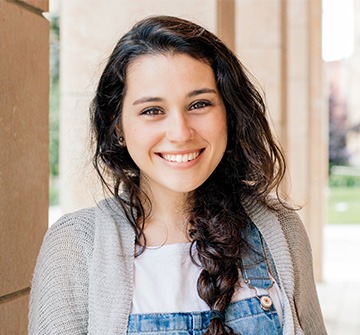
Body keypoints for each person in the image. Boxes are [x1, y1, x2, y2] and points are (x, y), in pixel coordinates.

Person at [29, 15, 327, 335]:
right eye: (152, 110)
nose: (180, 132)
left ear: (228, 112)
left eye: (199, 104)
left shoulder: (279, 229)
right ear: (118, 127)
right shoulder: (74, 245)